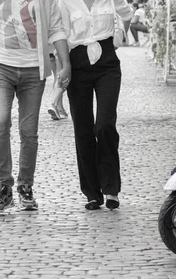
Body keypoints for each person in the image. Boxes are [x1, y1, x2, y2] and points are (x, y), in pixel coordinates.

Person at [0, 0, 71, 212]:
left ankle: (25, 187)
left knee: (28, 130)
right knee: (0, 121)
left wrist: (66, 63)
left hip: (34, 69)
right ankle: (4, 187)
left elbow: (56, 28)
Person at [59, 0, 134, 211]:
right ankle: (92, 193)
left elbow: (126, 14)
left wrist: (118, 38)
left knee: (105, 124)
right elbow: (60, 34)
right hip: (77, 62)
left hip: (107, 63)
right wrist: (64, 67)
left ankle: (111, 188)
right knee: (83, 129)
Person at [47, 47, 68, 120]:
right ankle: (57, 106)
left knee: (56, 76)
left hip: (49, 46)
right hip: (59, 45)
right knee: (60, 76)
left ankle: (59, 107)